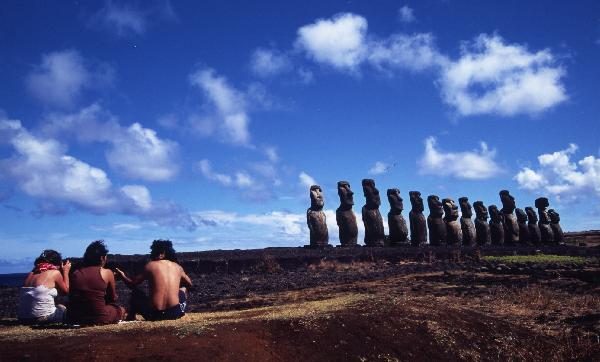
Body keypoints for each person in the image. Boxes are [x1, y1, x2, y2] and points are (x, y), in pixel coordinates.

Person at [116, 239, 192, 321]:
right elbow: (189, 284)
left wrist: (122, 276)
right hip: (174, 314)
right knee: (183, 288)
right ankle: (182, 310)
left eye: (153, 251)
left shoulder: (150, 265)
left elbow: (132, 284)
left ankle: (131, 317)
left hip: (155, 315)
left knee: (136, 293)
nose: (151, 254)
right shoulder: (178, 267)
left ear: (162, 253)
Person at [67, 240, 125, 325]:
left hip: (78, 318)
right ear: (102, 257)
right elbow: (112, 298)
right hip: (100, 317)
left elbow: (73, 297)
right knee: (121, 310)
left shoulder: (76, 273)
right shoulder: (107, 272)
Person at [18, 250, 70, 324]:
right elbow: (66, 291)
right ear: (57, 263)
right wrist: (65, 271)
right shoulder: (55, 273)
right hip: (44, 318)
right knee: (64, 307)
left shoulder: (31, 274)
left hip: (23, 318)